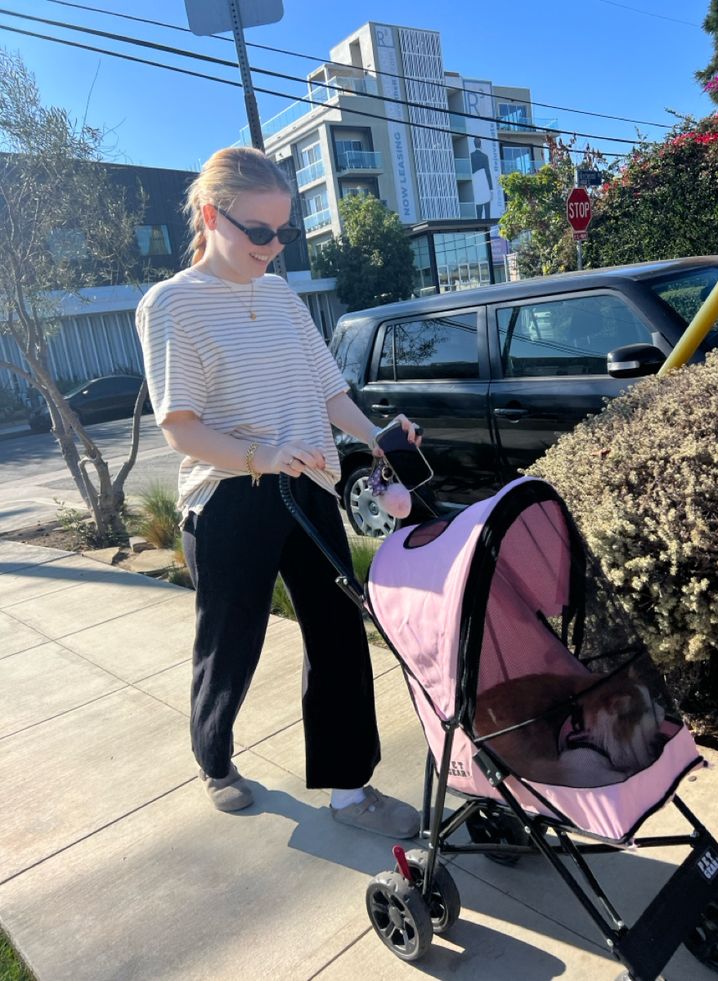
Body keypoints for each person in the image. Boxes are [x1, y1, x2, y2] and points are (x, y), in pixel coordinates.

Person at [135, 146, 420, 838]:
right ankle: (215, 758)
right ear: (211, 215)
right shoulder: (172, 304)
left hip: (310, 484)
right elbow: (181, 427)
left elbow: (328, 389)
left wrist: (376, 436)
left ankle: (351, 790)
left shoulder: (282, 293)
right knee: (231, 641)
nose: (272, 246)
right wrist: (260, 452)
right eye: (258, 231)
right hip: (230, 499)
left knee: (339, 635)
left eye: (283, 231)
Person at [470, 137, 493, 220]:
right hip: (484, 183)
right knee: (487, 208)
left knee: (478, 209)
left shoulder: (471, 156)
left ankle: (479, 226)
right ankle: (488, 228)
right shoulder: (484, 156)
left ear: (474, 144)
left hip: (476, 183)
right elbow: (488, 173)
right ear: (480, 144)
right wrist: (491, 188)